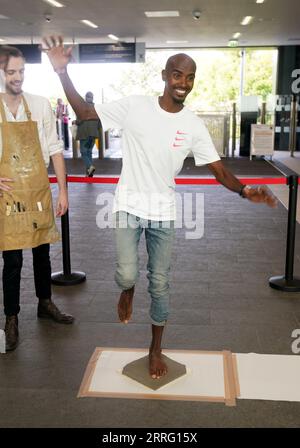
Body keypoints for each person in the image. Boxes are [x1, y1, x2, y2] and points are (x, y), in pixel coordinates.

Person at [43, 36, 277, 379]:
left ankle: (155, 348)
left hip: (164, 212)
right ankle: (127, 289)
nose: (184, 83)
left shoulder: (193, 124)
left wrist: (244, 191)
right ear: (165, 75)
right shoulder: (136, 106)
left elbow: (218, 169)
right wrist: (62, 72)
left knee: (162, 283)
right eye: (178, 75)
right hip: (127, 205)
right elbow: (86, 113)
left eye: (190, 77)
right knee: (126, 273)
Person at [0, 46, 74, 352]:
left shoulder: (40, 104)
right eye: (11, 72)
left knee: (42, 252)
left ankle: (45, 303)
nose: (18, 78)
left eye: (21, 72)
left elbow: (55, 148)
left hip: (39, 188)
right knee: (13, 259)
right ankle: (11, 318)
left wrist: (64, 191)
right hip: (9, 193)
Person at [76, 91, 101, 177]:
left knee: (83, 152)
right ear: (92, 98)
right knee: (89, 152)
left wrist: (75, 122)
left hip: (84, 133)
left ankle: (90, 167)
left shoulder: (82, 108)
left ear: (86, 97)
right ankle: (89, 173)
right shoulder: (97, 108)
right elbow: (100, 123)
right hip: (93, 133)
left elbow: (79, 121)